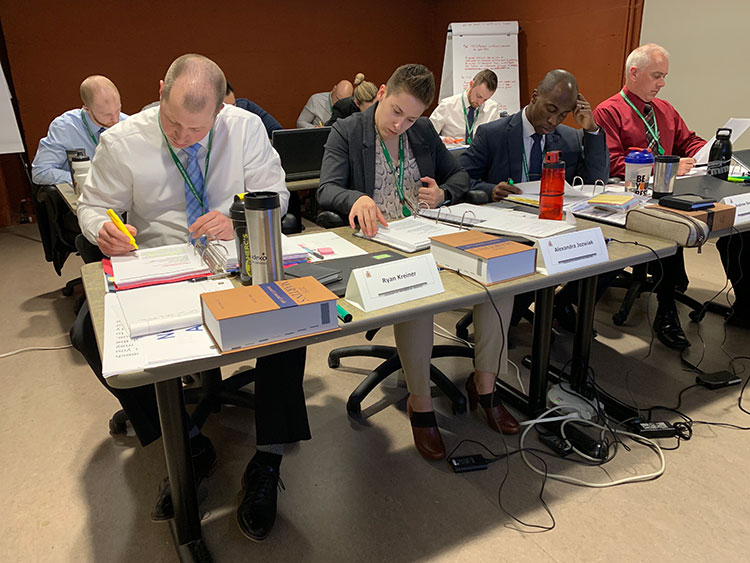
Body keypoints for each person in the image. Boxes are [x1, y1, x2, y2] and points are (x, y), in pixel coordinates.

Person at [72, 54, 309, 542]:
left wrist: (238, 213)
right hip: (159, 260)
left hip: (232, 253)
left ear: (221, 109)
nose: (181, 137)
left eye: (195, 130)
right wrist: (103, 230)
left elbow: (276, 193)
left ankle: (267, 459)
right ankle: (187, 442)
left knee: (293, 317)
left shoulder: (244, 128)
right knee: (86, 334)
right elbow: (94, 206)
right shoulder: (122, 140)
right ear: (160, 89)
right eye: (173, 122)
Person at [318, 63, 518, 460]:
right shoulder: (348, 131)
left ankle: (485, 385)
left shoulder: (423, 132)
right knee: (420, 291)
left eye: (411, 118)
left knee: (499, 282)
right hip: (378, 243)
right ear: (380, 94)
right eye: (395, 112)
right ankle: (421, 403)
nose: (400, 125)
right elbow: (326, 189)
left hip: (426, 233)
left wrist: (443, 193)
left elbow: (459, 176)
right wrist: (354, 199)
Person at [594, 43, 750, 344]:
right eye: (656, 76)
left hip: (675, 189)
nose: (662, 84)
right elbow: (611, 163)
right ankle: (666, 312)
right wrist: (665, 165)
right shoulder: (609, 111)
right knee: (673, 230)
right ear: (634, 73)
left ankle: (746, 304)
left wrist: (710, 153)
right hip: (633, 195)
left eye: (664, 76)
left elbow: (688, 141)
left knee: (737, 231)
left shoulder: (665, 110)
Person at [459, 69, 612, 332]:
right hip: (505, 225)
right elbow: (460, 179)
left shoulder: (570, 138)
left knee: (609, 252)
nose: (553, 120)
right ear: (534, 97)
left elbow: (596, 181)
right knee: (527, 258)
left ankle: (561, 303)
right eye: (550, 109)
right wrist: (489, 189)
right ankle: (505, 324)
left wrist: (592, 130)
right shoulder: (492, 134)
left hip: (552, 222)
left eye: (562, 114)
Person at [31, 75, 127, 185]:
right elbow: (41, 172)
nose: (115, 119)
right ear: (87, 109)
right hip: (84, 195)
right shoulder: (65, 127)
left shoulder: (128, 123)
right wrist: (86, 178)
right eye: (106, 115)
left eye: (118, 110)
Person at [429, 69, 502, 144]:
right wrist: (442, 139)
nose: (480, 103)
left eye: (485, 99)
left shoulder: (492, 108)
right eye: (478, 96)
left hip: (480, 154)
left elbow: (496, 139)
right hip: (453, 153)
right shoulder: (447, 105)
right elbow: (427, 134)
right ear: (471, 84)